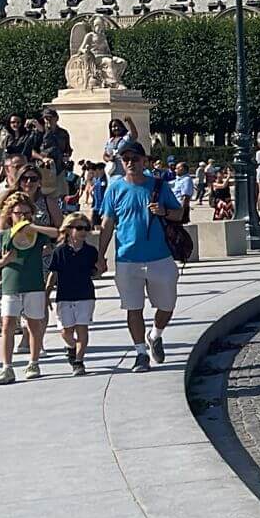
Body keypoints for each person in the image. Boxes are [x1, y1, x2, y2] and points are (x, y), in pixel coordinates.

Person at [95, 140, 187, 371]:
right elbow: (107, 223)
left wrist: (164, 211)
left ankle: (155, 335)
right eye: (125, 159)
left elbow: (179, 214)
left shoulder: (158, 186)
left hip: (160, 256)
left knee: (167, 305)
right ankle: (140, 353)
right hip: (127, 258)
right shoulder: (114, 188)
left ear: (144, 161)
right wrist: (100, 255)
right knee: (133, 308)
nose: (130, 163)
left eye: (135, 159)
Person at [0, 193, 58, 384]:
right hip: (11, 285)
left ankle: (34, 362)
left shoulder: (37, 234)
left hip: (34, 284)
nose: (23, 217)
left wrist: (31, 226)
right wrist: (5, 260)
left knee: (34, 324)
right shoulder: (3, 236)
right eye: (18, 213)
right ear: (10, 214)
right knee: (7, 325)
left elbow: (57, 234)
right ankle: (7, 367)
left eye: (27, 213)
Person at [48, 212, 100, 376]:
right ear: (69, 230)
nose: (83, 231)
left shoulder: (91, 251)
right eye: (79, 228)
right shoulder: (59, 251)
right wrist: (46, 292)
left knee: (82, 329)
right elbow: (53, 273)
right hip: (64, 295)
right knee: (66, 332)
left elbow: (95, 272)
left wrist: (100, 270)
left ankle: (79, 361)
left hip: (85, 294)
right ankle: (71, 347)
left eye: (86, 228)